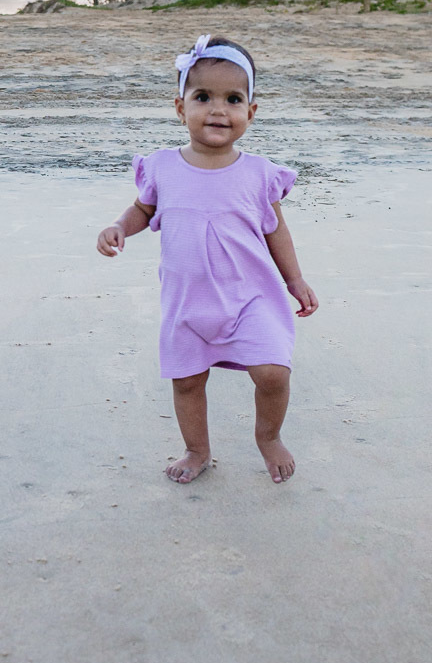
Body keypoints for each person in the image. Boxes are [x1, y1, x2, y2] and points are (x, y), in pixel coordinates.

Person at [97, 34, 318, 484]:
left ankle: (269, 436)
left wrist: (295, 280)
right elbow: (144, 209)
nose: (218, 110)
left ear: (250, 112)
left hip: (251, 297)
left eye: (233, 99)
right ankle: (196, 450)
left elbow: (276, 231)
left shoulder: (259, 174)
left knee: (273, 372)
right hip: (188, 302)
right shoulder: (162, 166)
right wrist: (120, 226)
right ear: (181, 108)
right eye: (203, 97)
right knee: (187, 381)